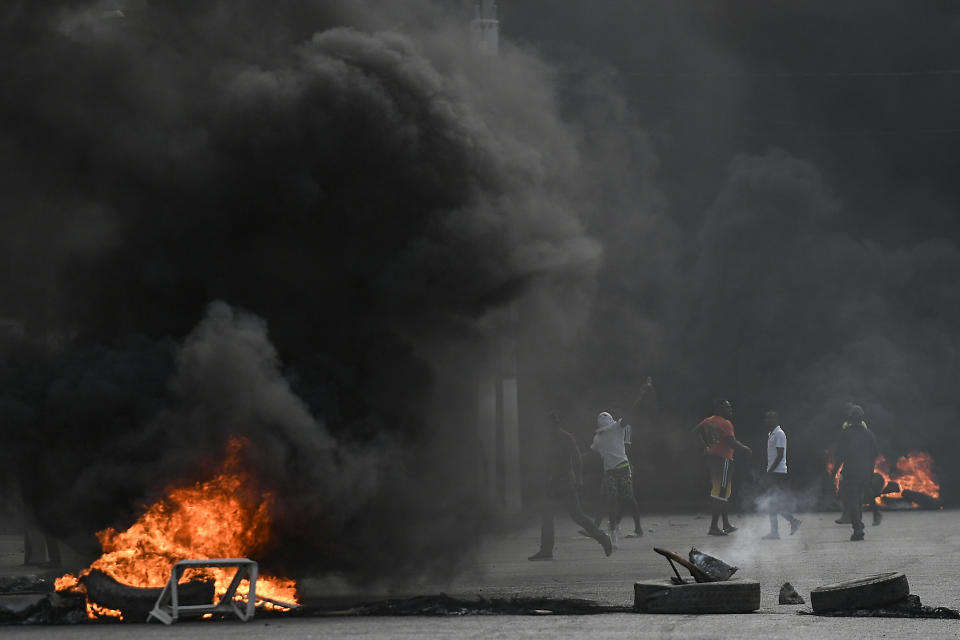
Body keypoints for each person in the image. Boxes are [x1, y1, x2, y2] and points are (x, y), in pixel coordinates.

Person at [529, 412, 613, 560]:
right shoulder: (549, 439)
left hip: (566, 482)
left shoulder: (565, 437)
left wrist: (579, 478)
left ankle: (603, 538)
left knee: (577, 515)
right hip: (554, 483)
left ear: (555, 424)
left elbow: (577, 457)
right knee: (547, 516)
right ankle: (546, 550)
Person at [692, 399, 752, 536]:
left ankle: (725, 524)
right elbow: (731, 442)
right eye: (727, 407)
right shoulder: (725, 423)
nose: (730, 409)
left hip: (712, 459)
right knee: (720, 493)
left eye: (730, 407)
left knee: (722, 492)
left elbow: (695, 432)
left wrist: (705, 446)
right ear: (718, 408)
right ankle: (714, 527)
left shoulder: (708, 421)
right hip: (724, 460)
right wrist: (745, 449)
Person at [833, 404, 880, 541]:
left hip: (851, 472)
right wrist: (870, 472)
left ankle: (858, 528)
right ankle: (860, 524)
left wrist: (833, 473)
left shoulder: (846, 433)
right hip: (864, 472)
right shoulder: (868, 434)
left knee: (852, 500)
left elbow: (840, 456)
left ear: (851, 419)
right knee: (858, 499)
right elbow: (874, 455)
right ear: (861, 418)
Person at [760, 410, 801, 540]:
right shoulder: (771, 433)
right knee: (773, 503)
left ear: (776, 420)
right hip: (774, 471)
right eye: (767, 419)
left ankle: (789, 523)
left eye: (771, 419)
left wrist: (770, 470)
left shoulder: (779, 433)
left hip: (778, 472)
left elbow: (780, 455)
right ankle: (776, 531)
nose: (768, 421)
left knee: (773, 503)